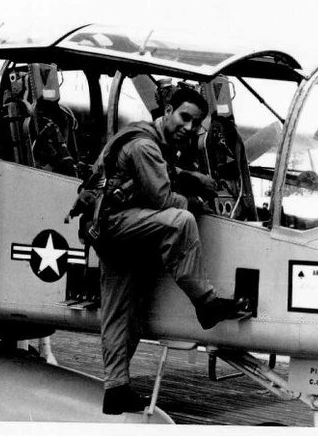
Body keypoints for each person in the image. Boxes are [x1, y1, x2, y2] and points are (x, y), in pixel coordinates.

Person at [92, 85, 248, 415]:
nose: (189, 128)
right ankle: (206, 303)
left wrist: (191, 177)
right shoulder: (145, 145)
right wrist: (194, 200)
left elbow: (159, 174)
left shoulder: (152, 142)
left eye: (196, 123)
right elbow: (163, 199)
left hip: (122, 229)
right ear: (167, 111)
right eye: (184, 118)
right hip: (118, 226)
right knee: (181, 220)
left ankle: (115, 388)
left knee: (126, 315)